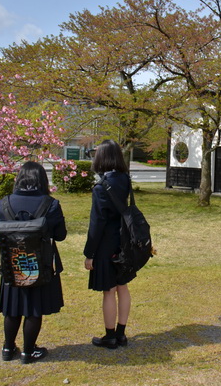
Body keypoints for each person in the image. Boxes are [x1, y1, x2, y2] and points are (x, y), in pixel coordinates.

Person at [0, 161, 67, 364]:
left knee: (12, 308)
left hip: (12, 262)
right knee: (33, 309)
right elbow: (61, 235)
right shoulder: (50, 204)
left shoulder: (4, 203)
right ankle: (28, 352)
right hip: (40, 264)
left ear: (19, 178)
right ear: (42, 180)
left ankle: (8, 348)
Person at [83, 139, 132, 349]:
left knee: (109, 291)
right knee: (123, 286)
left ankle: (110, 336)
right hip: (125, 241)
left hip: (106, 244)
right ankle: (121, 334)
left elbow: (97, 223)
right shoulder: (125, 179)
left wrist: (89, 253)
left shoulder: (101, 186)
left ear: (102, 157)